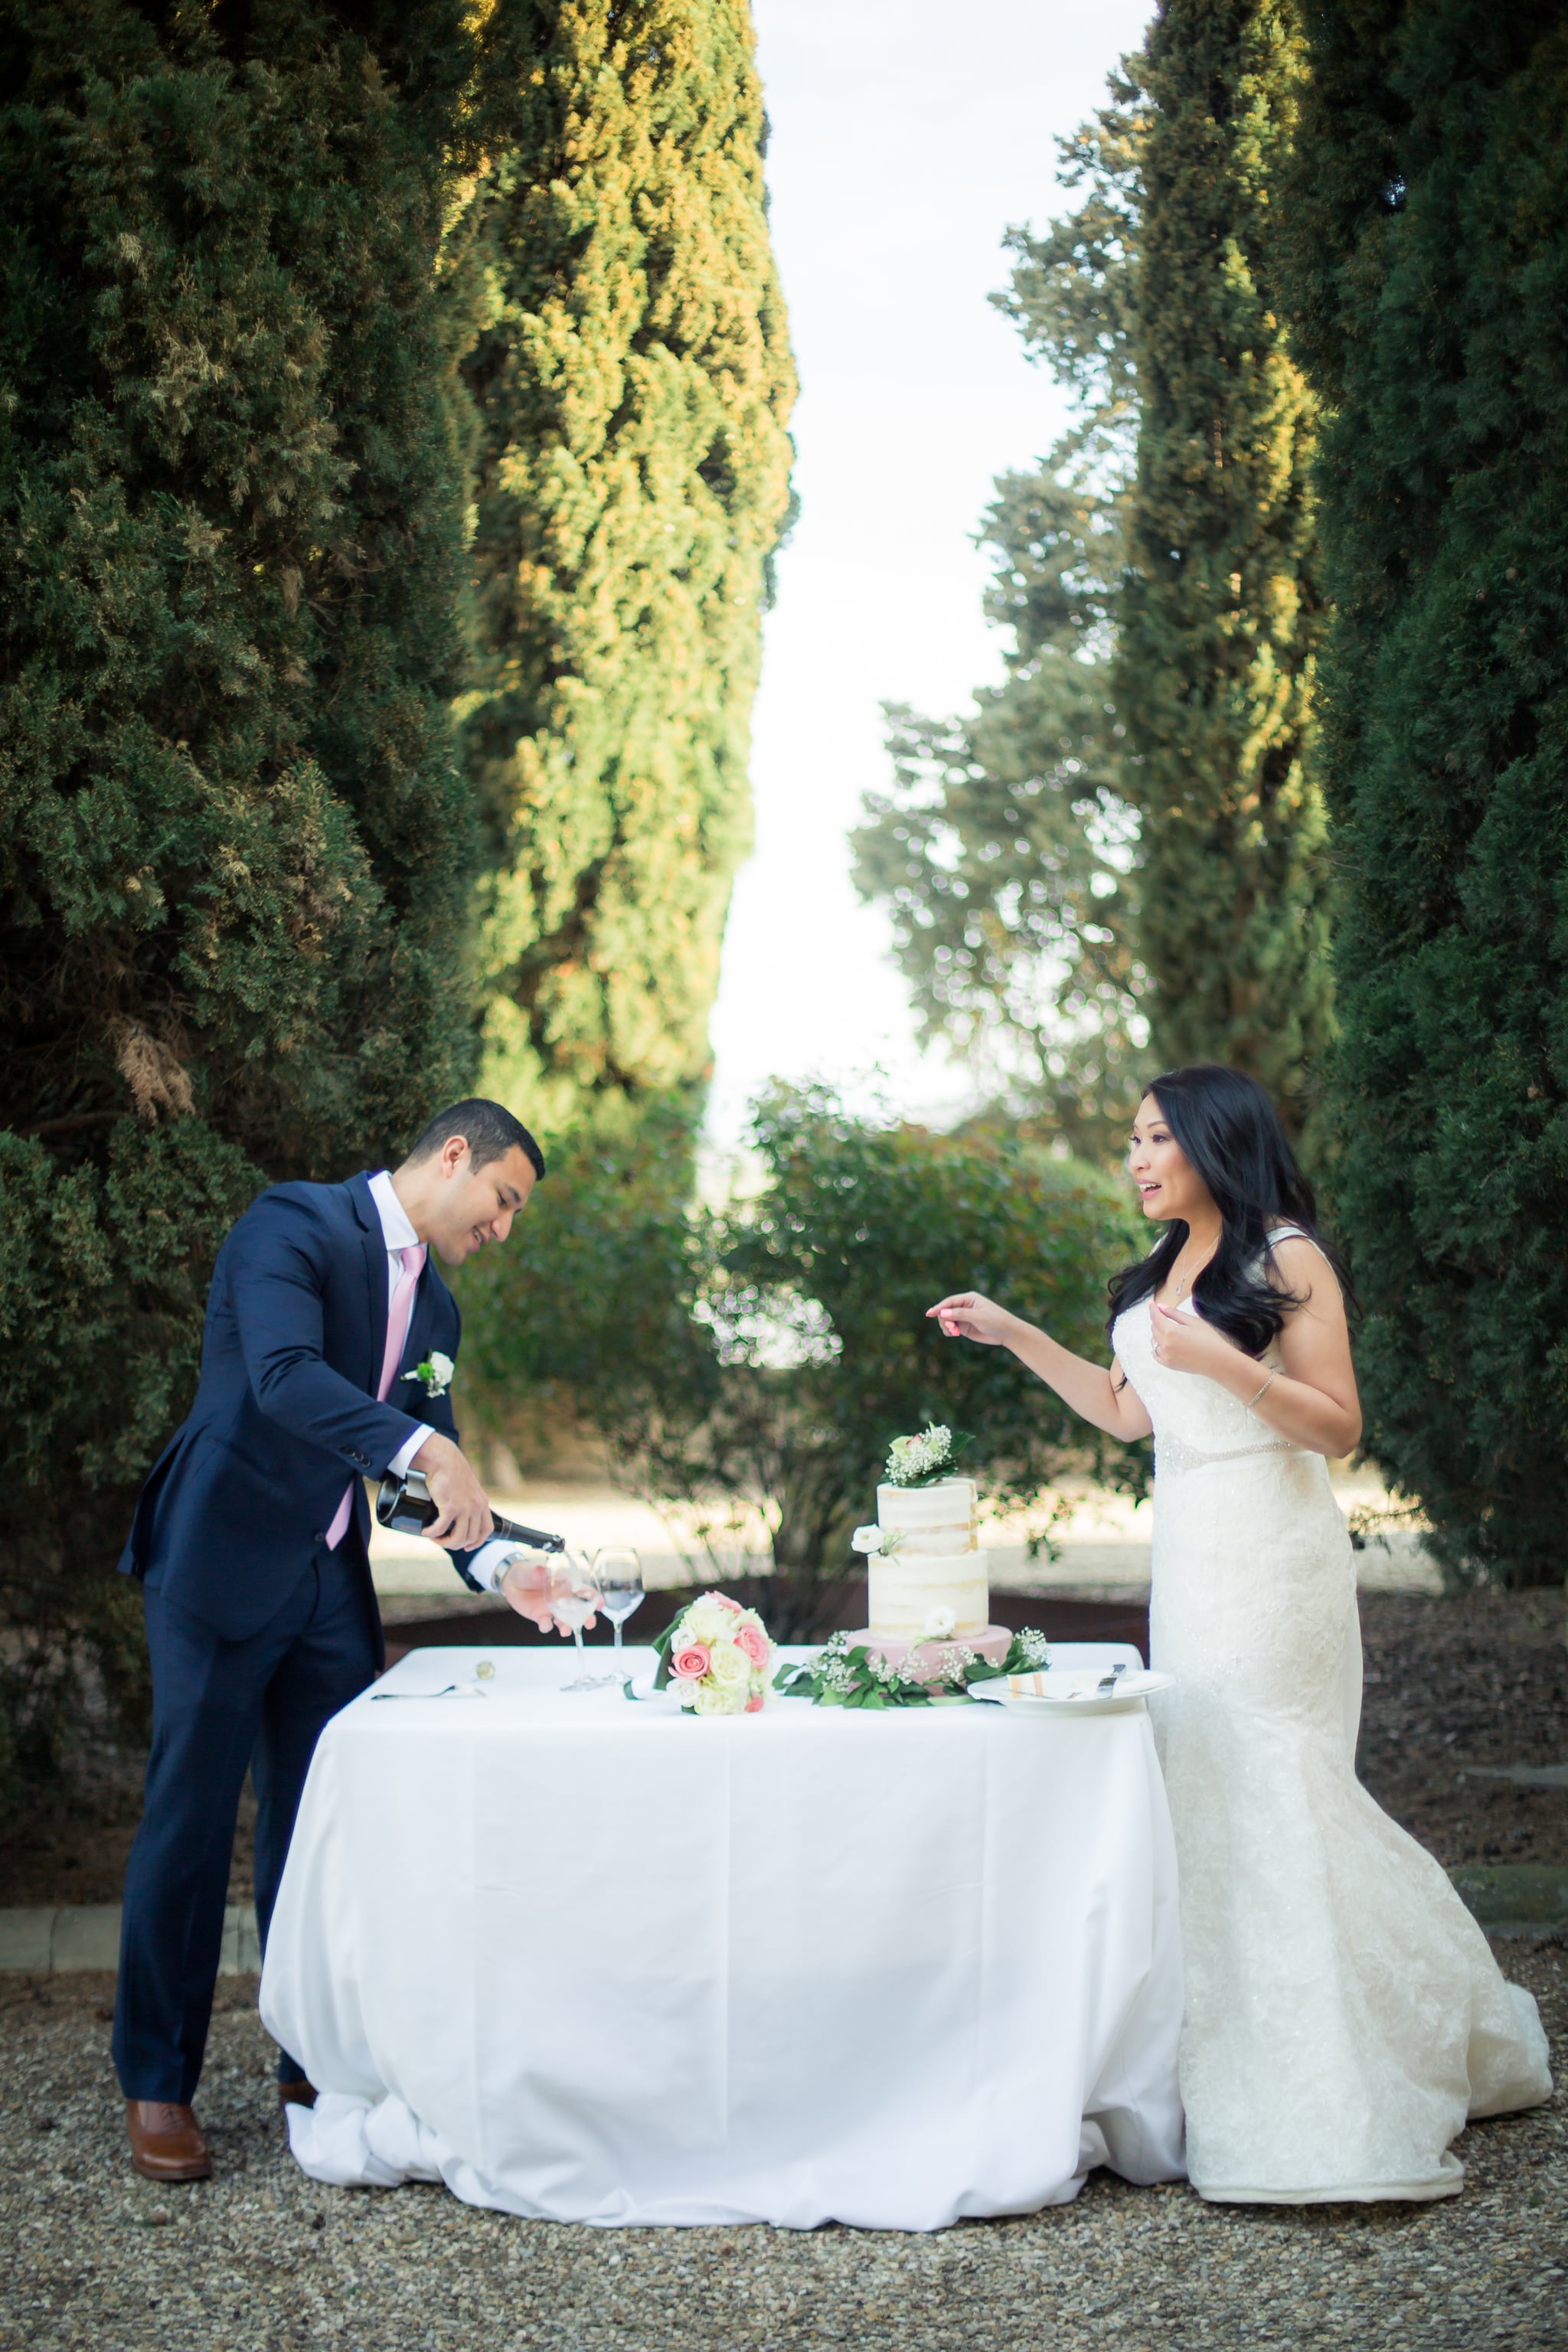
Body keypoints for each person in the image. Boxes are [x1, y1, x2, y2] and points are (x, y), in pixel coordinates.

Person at [928, 1063, 1550, 2203]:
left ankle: (1324, 2076)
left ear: (1216, 1140)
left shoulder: (1287, 1259)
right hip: (1195, 1559)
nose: (1137, 1157)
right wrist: (1015, 1333)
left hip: (1276, 1558)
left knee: (1277, 1778)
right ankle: (1225, 2050)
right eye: (1131, 1139)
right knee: (1209, 1787)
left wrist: (1224, 1362)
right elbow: (1126, 1412)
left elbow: (1341, 1427)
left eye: (1155, 1136)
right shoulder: (1156, 1271)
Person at [113, 1099, 561, 2183]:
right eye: (502, 1200)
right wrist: (418, 1443)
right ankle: (158, 2084)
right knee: (192, 1819)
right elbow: (281, 1380)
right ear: (454, 1156)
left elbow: (422, 1483)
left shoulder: (438, 1314)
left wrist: (504, 1563)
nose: (502, 1228)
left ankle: (313, 2056)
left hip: (326, 1583)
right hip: (218, 1564)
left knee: (320, 1831)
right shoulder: (294, 1226)